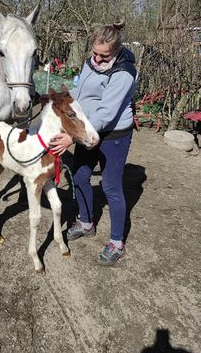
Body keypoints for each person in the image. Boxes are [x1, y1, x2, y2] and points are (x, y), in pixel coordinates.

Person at [49, 20, 136, 266]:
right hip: (87, 129)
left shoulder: (124, 73)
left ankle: (117, 243)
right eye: (94, 53)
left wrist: (72, 136)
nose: (96, 60)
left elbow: (106, 113)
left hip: (113, 135)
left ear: (116, 51)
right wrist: (61, 99)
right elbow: (81, 89)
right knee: (79, 176)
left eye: (103, 56)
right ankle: (86, 222)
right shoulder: (91, 61)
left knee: (110, 186)